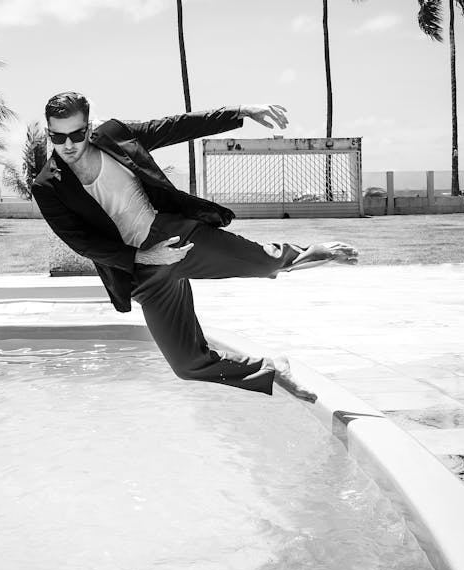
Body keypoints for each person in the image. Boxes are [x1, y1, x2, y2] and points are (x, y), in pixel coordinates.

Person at [32, 92, 358, 403]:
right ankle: (272, 371)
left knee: (264, 263)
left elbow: (175, 126)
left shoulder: (115, 135)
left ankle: (314, 251)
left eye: (75, 134)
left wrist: (241, 110)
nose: (68, 145)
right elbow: (83, 242)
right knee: (188, 365)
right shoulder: (48, 186)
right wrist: (143, 256)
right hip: (144, 272)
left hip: (174, 237)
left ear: (88, 128)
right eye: (58, 137)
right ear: (49, 132)